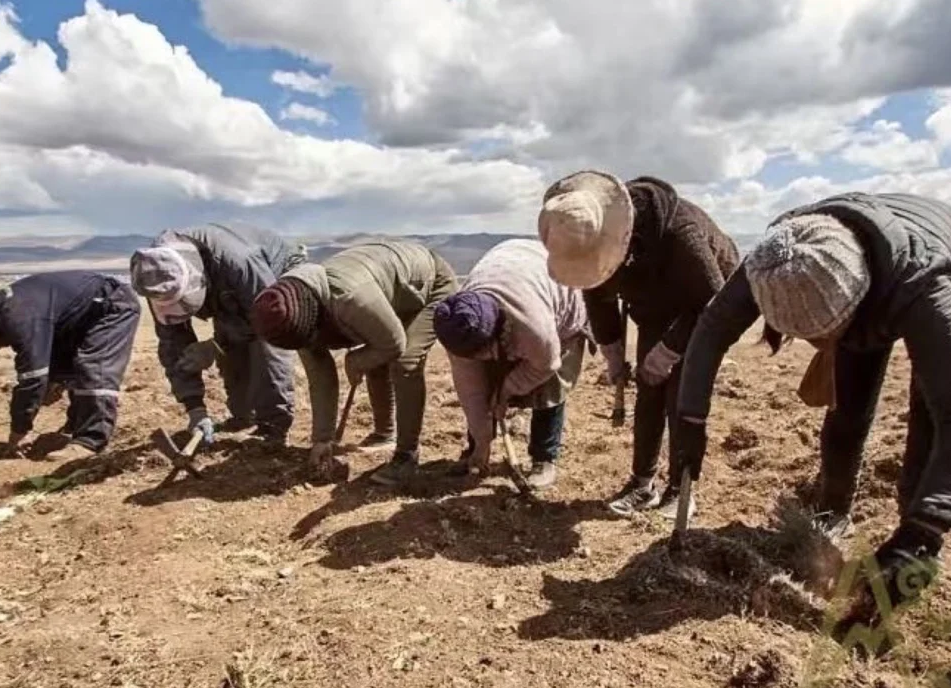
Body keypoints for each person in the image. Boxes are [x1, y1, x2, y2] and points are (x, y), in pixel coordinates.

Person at [675, 193, 951, 608]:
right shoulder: (777, 259)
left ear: (854, 300)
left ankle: (913, 544)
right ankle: (833, 513)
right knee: (847, 410)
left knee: (930, 414)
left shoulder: (922, 281)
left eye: (824, 333)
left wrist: (923, 529)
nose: (818, 343)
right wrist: (690, 422)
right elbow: (712, 329)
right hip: (867, 293)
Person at [538, 171, 739, 517]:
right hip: (654, 308)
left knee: (681, 396)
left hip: (705, 305)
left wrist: (670, 350)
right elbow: (599, 300)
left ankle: (681, 489)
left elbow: (712, 302)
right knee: (649, 388)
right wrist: (613, 355)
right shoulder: (590, 239)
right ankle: (642, 484)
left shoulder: (680, 233)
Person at [251, 239, 457, 483]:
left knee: (405, 361)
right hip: (390, 293)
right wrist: (322, 439)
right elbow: (321, 378)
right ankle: (384, 435)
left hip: (430, 285)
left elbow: (393, 343)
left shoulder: (348, 298)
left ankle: (406, 456)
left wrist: (356, 361)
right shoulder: (292, 315)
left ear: (313, 318)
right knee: (377, 353)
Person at [432, 238, 589, 491]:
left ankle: (544, 458)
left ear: (498, 331)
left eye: (484, 353)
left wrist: (507, 390)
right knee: (484, 388)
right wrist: (483, 443)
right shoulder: (456, 326)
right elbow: (472, 393)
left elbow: (545, 364)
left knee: (550, 390)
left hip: (560, 300)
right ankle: (476, 451)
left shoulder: (534, 327)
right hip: (510, 267)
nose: (479, 360)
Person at [0, 271, 141, 460]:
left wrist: (19, 431)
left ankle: (90, 441)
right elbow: (46, 361)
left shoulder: (17, 318)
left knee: (94, 368)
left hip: (111, 305)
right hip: (82, 316)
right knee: (66, 370)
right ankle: (75, 427)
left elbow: (32, 378)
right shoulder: (5, 308)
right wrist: (54, 381)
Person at [130, 223, 302, 450]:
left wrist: (217, 345)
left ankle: (272, 426)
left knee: (265, 348)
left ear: (195, 277)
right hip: (226, 296)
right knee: (239, 397)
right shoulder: (154, 278)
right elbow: (173, 345)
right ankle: (243, 416)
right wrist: (195, 409)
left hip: (272, 282)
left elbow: (270, 322)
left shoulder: (239, 262)